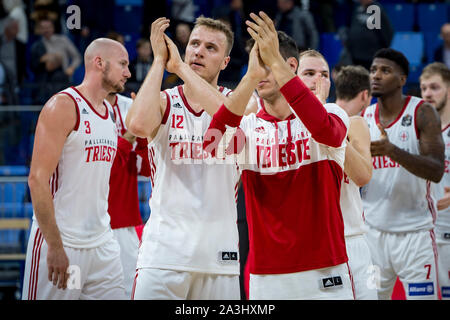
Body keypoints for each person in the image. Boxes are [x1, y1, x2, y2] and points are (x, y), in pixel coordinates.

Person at [203, 12, 354, 300]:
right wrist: (249, 77)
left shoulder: (331, 113)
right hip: (266, 275)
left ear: (290, 66)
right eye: (254, 62)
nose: (260, 71)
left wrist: (277, 65)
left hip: (325, 270)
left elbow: (326, 132)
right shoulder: (247, 127)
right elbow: (212, 146)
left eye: (266, 62)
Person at [126, 16, 242, 300]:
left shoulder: (239, 102)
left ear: (225, 62)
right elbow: (137, 126)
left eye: (211, 48)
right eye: (194, 44)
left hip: (219, 258)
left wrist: (178, 67)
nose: (199, 51)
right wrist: (158, 62)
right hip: (164, 255)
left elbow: (228, 119)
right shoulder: (165, 102)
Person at [22, 37, 131, 300]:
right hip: (65, 245)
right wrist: (56, 246)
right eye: (123, 64)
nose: (128, 72)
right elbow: (37, 180)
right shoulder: (63, 106)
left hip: (103, 246)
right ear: (99, 63)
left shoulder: (111, 112)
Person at [360, 48, 444, 300]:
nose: (376, 75)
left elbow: (437, 170)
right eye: (373, 70)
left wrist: (392, 151)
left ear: (402, 79)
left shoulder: (422, 112)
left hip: (415, 236)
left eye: (385, 71)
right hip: (372, 236)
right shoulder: (363, 118)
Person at [333, 65, 378, 299]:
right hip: (338, 239)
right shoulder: (301, 123)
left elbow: (363, 177)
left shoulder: (357, 124)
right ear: (364, 96)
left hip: (353, 237)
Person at [106, 90, 151, 299]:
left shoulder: (128, 107)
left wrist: (144, 132)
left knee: (128, 293)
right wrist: (132, 132)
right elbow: (105, 169)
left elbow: (149, 168)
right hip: (84, 230)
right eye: (122, 64)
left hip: (125, 225)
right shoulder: (75, 107)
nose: (128, 73)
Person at [420, 62, 450, 300]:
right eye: (423, 88)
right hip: (424, 235)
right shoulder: (415, 132)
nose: (428, 93)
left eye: (435, 87)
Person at [30, 17, 82, 104]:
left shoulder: (63, 40)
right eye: (43, 28)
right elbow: (35, 66)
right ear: (39, 29)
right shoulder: (37, 46)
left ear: (53, 28)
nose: (46, 30)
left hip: (64, 80)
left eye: (48, 27)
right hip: (46, 82)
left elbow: (77, 57)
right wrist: (44, 60)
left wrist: (71, 68)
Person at [345, 0, 393, 70]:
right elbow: (351, 27)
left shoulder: (376, 9)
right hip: (356, 55)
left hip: (371, 56)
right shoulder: (357, 8)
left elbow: (387, 32)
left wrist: (382, 51)